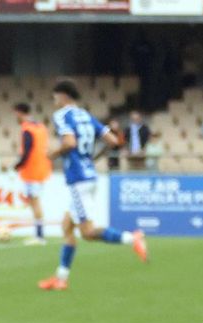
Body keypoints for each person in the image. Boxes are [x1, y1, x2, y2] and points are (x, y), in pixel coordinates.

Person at [37, 79, 147, 292]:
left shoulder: (62, 116)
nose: (54, 101)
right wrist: (92, 159)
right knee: (67, 226)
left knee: (87, 232)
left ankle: (131, 238)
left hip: (78, 179)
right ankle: (61, 278)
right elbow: (114, 141)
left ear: (62, 95)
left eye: (54, 97)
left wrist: (53, 153)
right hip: (89, 176)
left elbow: (69, 143)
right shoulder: (86, 115)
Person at [12, 101, 51, 246]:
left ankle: (40, 236)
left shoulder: (27, 129)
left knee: (35, 202)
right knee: (34, 202)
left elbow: (27, 151)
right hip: (42, 169)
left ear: (19, 112)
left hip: (32, 171)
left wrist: (18, 165)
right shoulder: (40, 127)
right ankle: (39, 234)